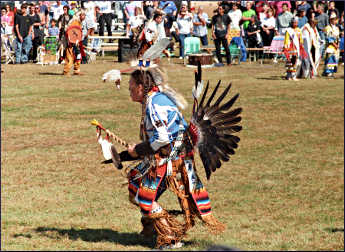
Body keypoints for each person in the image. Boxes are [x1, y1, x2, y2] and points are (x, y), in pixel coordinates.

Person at [113, 66, 226, 249]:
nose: (129, 90)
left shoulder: (153, 104)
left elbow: (163, 138)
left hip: (169, 158)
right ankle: (151, 224)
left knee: (144, 198)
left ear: (141, 87)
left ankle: (170, 236)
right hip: (167, 154)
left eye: (131, 86)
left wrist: (140, 149)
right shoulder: (156, 97)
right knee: (134, 180)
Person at [299, 10, 321, 79]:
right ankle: (307, 74)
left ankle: (312, 73)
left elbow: (317, 37)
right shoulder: (306, 27)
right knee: (307, 60)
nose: (314, 19)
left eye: (314, 17)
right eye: (312, 17)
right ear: (309, 19)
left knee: (315, 59)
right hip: (307, 48)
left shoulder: (314, 28)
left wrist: (320, 41)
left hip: (314, 47)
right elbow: (304, 38)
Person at [62, 11, 84, 75]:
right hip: (70, 42)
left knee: (78, 56)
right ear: (79, 15)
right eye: (82, 15)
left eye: (84, 15)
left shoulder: (79, 22)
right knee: (69, 57)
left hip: (76, 42)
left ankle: (76, 70)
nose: (84, 16)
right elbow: (69, 31)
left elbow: (78, 33)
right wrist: (72, 41)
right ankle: (66, 71)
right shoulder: (75, 22)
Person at [322, 12, 340, 77]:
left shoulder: (337, 28)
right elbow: (329, 38)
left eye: (335, 19)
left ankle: (330, 72)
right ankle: (328, 72)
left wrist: (338, 44)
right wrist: (335, 44)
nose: (335, 20)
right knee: (330, 59)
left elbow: (338, 37)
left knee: (335, 59)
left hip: (336, 46)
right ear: (330, 20)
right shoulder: (328, 28)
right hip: (330, 46)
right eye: (334, 19)